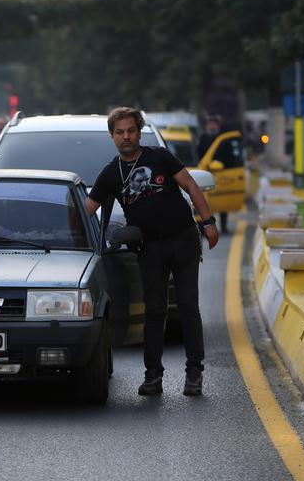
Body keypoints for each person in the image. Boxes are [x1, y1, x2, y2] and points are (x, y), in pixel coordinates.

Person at [85, 107, 218, 397]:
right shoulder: (110, 173)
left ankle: (194, 372)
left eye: (131, 130)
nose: (126, 137)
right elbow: (86, 212)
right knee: (154, 311)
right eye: (119, 132)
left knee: (187, 307)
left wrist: (208, 222)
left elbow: (191, 186)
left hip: (183, 241)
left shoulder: (159, 156)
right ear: (112, 136)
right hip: (149, 249)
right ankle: (153, 376)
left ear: (139, 131)